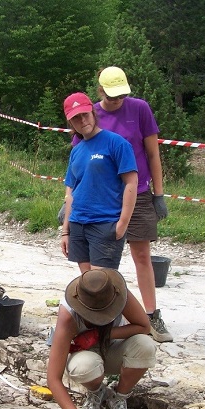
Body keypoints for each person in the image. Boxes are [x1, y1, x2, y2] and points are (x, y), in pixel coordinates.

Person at [91, 66, 173, 343]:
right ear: (100, 90)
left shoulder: (139, 109)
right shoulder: (91, 115)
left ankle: (151, 314)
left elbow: (152, 153)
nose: (117, 101)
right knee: (101, 261)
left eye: (121, 95)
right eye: (111, 96)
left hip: (137, 192)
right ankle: (103, 312)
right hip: (103, 196)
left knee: (142, 255)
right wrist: (72, 198)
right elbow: (81, 159)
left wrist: (158, 194)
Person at [46, 268, 155, 409]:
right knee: (83, 367)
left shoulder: (118, 293)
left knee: (145, 346)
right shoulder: (68, 315)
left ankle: (118, 397)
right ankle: (96, 392)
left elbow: (144, 326)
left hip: (114, 348)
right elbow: (53, 378)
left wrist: (99, 335)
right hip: (87, 355)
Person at [60, 92, 138, 273]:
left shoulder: (116, 143)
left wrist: (123, 224)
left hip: (105, 223)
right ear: (70, 122)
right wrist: (65, 231)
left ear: (93, 113)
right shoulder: (76, 151)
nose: (82, 121)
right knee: (89, 286)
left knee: (102, 284)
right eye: (76, 118)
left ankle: (138, 303)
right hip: (78, 222)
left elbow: (131, 183)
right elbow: (71, 191)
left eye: (85, 114)